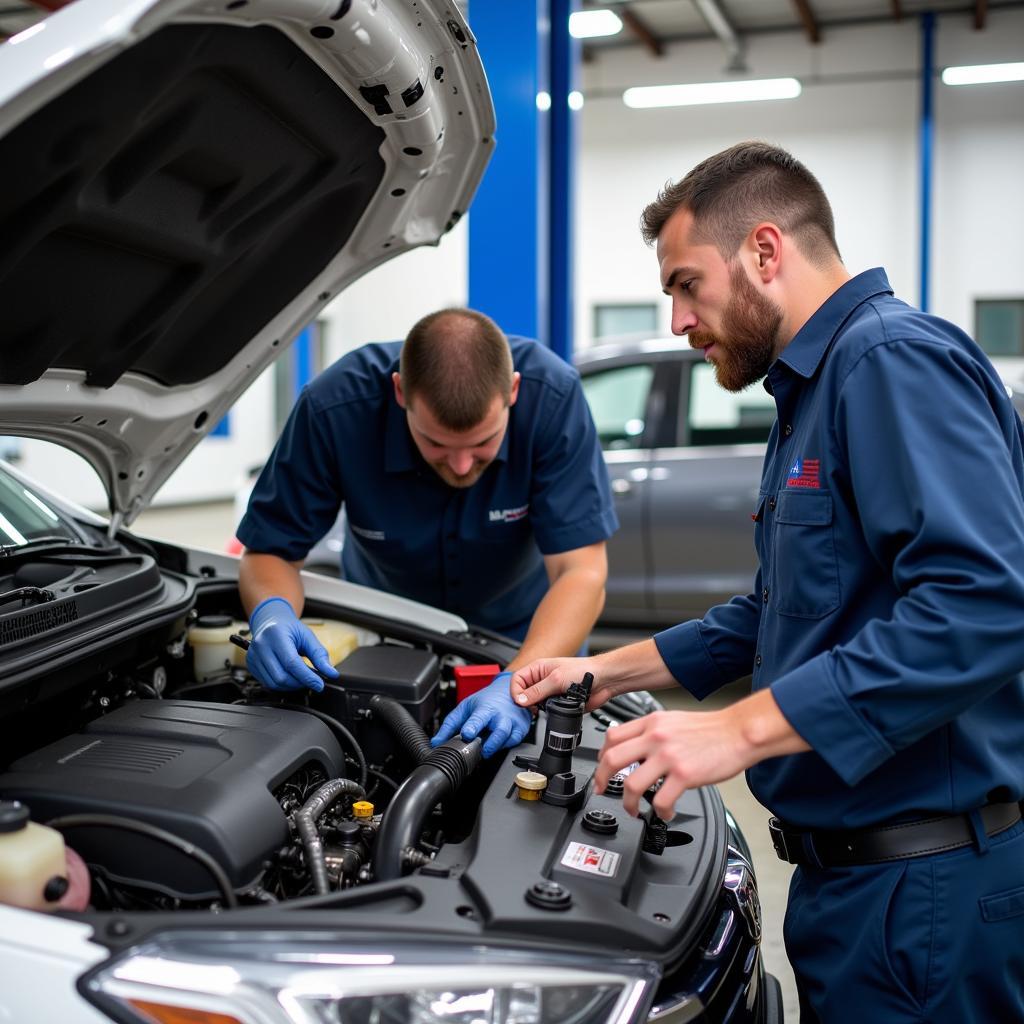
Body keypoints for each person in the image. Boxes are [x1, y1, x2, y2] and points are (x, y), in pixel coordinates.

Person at [503, 142, 1024, 1022]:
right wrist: (604, 673)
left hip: (922, 892)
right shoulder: (813, 392)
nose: (676, 319)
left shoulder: (889, 363)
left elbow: (983, 604)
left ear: (766, 251)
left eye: (685, 284)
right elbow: (786, 610)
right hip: (860, 887)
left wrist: (736, 732)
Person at [236, 307, 617, 755]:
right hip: (387, 640)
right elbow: (270, 552)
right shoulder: (333, 408)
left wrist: (522, 678)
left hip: (528, 640)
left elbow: (582, 572)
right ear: (400, 392)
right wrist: (272, 614)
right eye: (436, 443)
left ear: (512, 391)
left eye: (482, 444)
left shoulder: (553, 398)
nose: (459, 466)